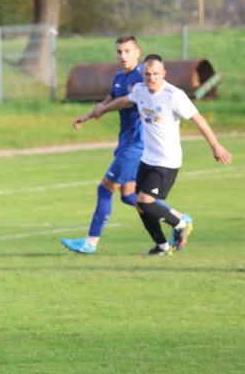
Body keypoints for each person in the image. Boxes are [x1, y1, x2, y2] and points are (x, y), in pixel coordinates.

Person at [81, 54, 233, 256]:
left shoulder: (174, 95)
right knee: (139, 204)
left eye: (155, 74)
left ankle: (180, 224)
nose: (151, 78)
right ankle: (161, 246)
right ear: (142, 74)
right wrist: (102, 109)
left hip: (167, 162)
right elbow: (125, 101)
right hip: (147, 159)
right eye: (147, 74)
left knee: (145, 201)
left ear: (163, 74)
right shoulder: (140, 90)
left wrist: (216, 146)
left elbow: (199, 120)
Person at [62, 35, 144, 254]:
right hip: (125, 142)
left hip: (136, 144)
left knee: (105, 188)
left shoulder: (141, 76)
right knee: (129, 195)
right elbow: (109, 100)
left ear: (137, 52)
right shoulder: (119, 76)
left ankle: (90, 242)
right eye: (119, 52)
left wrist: (103, 110)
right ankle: (179, 221)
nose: (123, 56)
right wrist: (88, 115)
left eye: (127, 51)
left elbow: (126, 100)